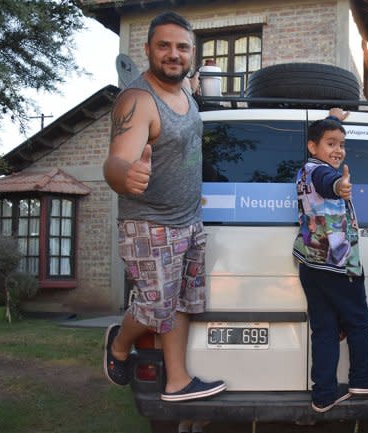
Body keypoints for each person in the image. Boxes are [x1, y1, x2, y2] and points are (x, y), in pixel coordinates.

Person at [101, 11, 226, 402]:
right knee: (156, 306)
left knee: (182, 302)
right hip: (151, 223)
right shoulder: (138, 100)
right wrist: (126, 175)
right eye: (164, 46)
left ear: (192, 54)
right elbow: (116, 160)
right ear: (148, 50)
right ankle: (119, 345)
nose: (174, 54)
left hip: (189, 220)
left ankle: (177, 381)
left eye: (182, 47)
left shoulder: (185, 90)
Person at [292, 108, 368, 413]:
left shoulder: (304, 170)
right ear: (312, 146)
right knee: (358, 320)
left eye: (341, 144)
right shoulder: (321, 173)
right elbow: (330, 182)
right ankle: (362, 377)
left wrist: (334, 121)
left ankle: (323, 394)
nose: (338, 150)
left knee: (325, 329)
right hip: (336, 263)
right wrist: (340, 187)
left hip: (312, 264)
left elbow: (324, 167)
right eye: (331, 143)